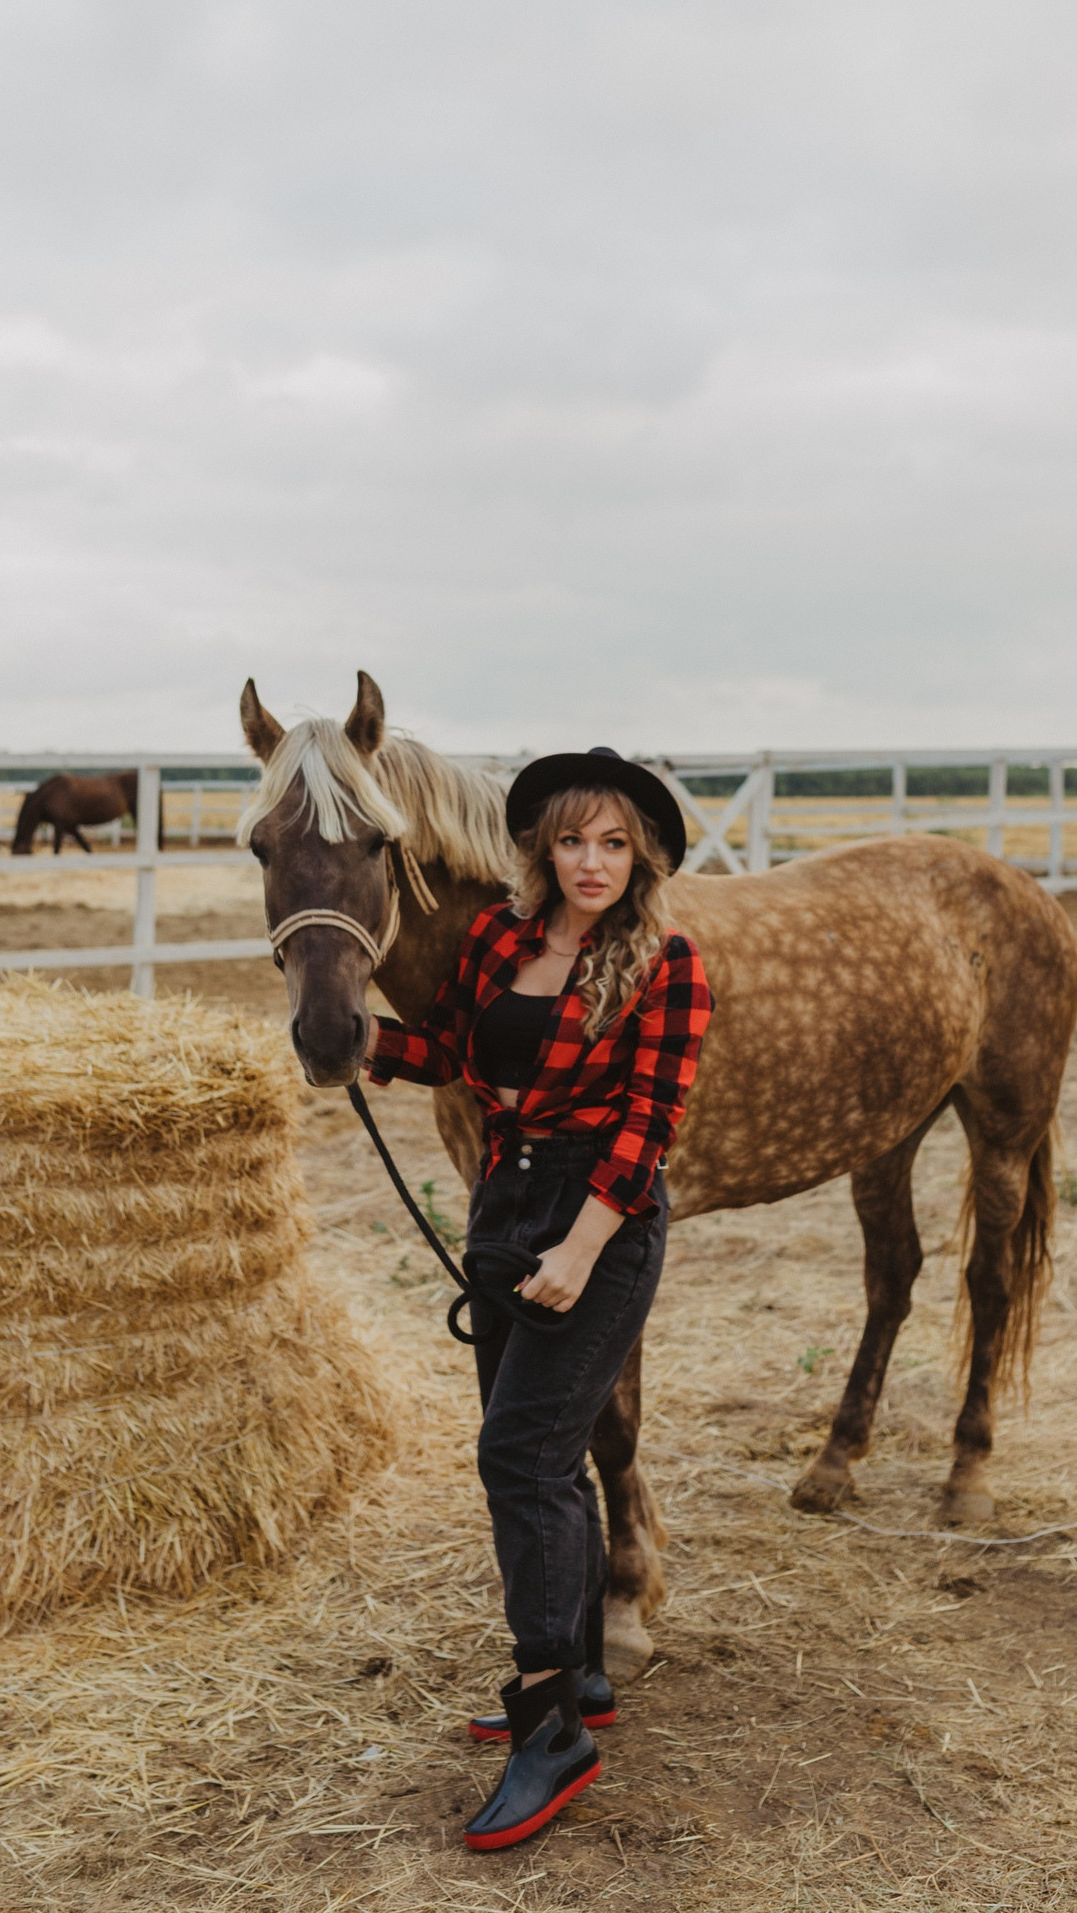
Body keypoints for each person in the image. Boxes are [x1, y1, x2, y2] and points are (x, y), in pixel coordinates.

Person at [363, 746, 713, 1852]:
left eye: (614, 842)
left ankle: (551, 1723)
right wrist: (355, 1041)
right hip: (505, 1208)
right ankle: (586, 1678)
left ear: (643, 853)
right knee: (543, 1461)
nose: (592, 861)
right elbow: (454, 1055)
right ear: (540, 849)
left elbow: (649, 1124)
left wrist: (581, 1244)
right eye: (572, 840)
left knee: (518, 1456)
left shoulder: (669, 961)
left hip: (597, 1224)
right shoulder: (499, 939)